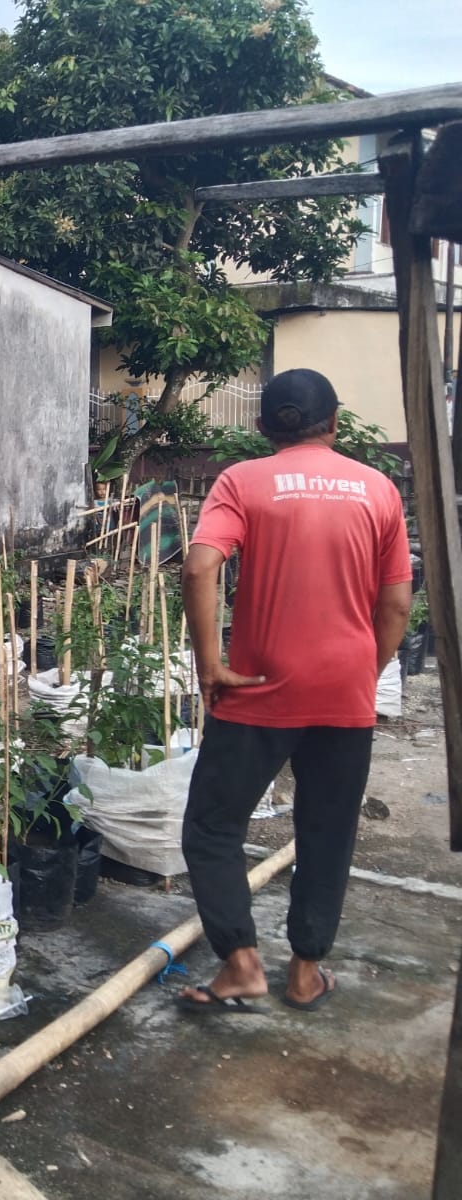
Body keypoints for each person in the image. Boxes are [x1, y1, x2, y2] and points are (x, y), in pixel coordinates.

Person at [177, 369, 411, 1013]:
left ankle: (242, 965)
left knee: (212, 826)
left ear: (262, 428)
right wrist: (362, 673)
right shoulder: (379, 488)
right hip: (344, 694)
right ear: (333, 423)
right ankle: (305, 972)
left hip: (258, 690)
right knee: (327, 833)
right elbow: (396, 604)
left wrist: (209, 666)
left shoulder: (242, 480)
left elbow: (199, 567)